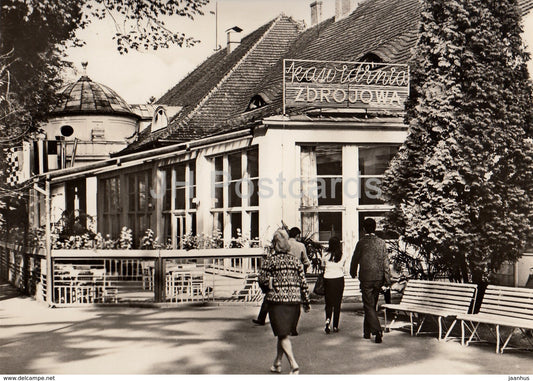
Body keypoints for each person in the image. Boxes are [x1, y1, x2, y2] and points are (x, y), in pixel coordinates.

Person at [258, 229, 311, 375]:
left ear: (275, 244)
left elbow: (261, 279)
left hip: (277, 302)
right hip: (294, 302)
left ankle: (294, 365)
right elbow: (303, 283)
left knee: (282, 335)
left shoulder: (270, 261)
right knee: (284, 334)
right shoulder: (295, 261)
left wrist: (268, 288)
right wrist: (306, 302)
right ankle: (277, 363)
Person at [350, 218, 391, 343]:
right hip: (378, 278)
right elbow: (386, 262)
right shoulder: (381, 243)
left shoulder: (361, 243)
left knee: (368, 305)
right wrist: (387, 279)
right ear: (375, 228)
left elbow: (355, 258)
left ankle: (377, 330)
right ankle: (366, 332)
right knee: (371, 305)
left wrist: (353, 272)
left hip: (366, 278)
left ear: (364, 229)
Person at [322, 236, 346, 334]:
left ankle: (327, 320)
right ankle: (335, 326)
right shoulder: (343, 255)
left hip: (327, 279)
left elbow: (323, 266)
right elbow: (343, 267)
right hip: (339, 279)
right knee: (337, 303)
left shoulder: (325, 254)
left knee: (328, 302)